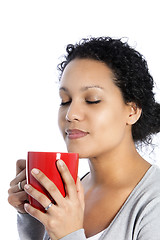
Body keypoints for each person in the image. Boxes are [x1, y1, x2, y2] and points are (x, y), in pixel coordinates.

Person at [8, 37, 160, 240]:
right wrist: (32, 215)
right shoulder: (68, 193)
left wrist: (69, 235)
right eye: (65, 101)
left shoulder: (154, 202)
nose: (71, 114)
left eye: (92, 100)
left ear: (132, 111)